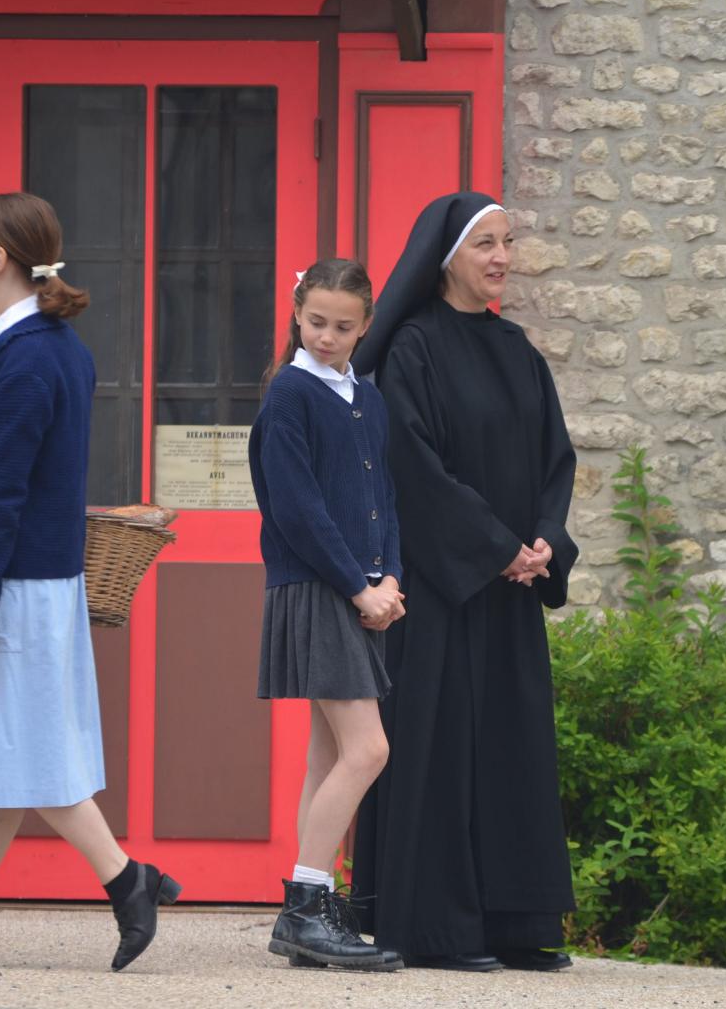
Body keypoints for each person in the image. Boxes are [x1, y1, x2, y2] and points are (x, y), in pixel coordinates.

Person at [0, 192, 180, 971]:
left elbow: (8, 493)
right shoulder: (49, 345)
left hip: (8, 584)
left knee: (30, 750)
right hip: (29, 580)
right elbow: (9, 462)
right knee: (3, 750)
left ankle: (128, 881)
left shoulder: (19, 359)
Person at [349, 192, 579, 972]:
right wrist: (494, 547)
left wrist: (544, 541)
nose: (502, 257)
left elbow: (556, 460)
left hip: (509, 594)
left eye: (508, 242)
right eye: (486, 243)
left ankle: (514, 925)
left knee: (513, 752)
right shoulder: (412, 349)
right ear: (448, 258)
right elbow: (413, 467)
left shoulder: (519, 351)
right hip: (443, 592)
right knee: (441, 752)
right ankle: (436, 930)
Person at [250, 259, 405, 972]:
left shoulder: (365, 397)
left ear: (365, 326)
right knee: (368, 751)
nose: (327, 337)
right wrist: (357, 587)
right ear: (296, 314)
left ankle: (308, 909)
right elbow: (297, 509)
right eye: (316, 322)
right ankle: (305, 908)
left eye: (343, 326)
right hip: (320, 589)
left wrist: (391, 576)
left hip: (359, 590)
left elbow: (385, 497)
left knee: (328, 755)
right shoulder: (290, 393)